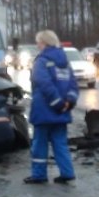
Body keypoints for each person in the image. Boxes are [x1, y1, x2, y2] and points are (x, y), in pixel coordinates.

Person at [23, 29, 79, 185]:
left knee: (39, 144)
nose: (37, 46)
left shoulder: (41, 61)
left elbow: (44, 84)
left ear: (44, 43)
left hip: (44, 111)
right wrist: (68, 102)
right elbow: (73, 85)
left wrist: (57, 103)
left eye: (38, 43)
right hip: (61, 112)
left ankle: (39, 175)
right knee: (60, 143)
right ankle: (67, 173)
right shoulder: (65, 62)